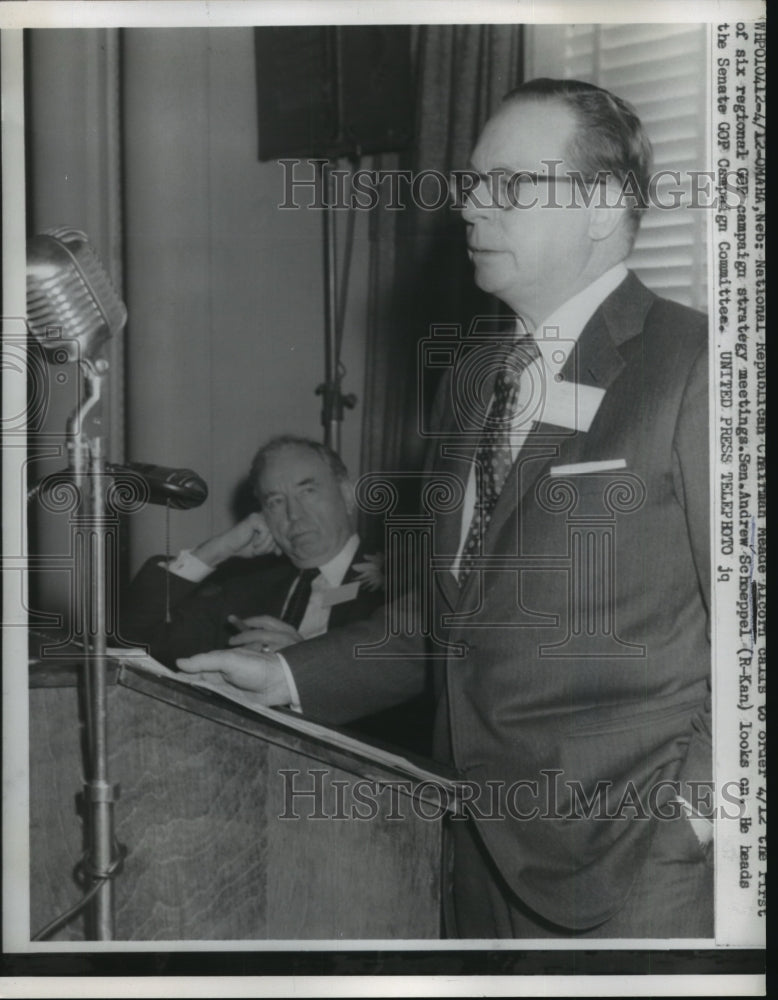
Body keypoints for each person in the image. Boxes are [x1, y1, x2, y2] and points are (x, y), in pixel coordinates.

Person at [177, 79, 711, 938]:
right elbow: (458, 619)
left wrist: (703, 813)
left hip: (641, 865)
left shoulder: (698, 367)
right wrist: (288, 675)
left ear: (603, 205)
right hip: (476, 856)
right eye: (471, 180)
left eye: (510, 183)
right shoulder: (477, 387)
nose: (470, 205)